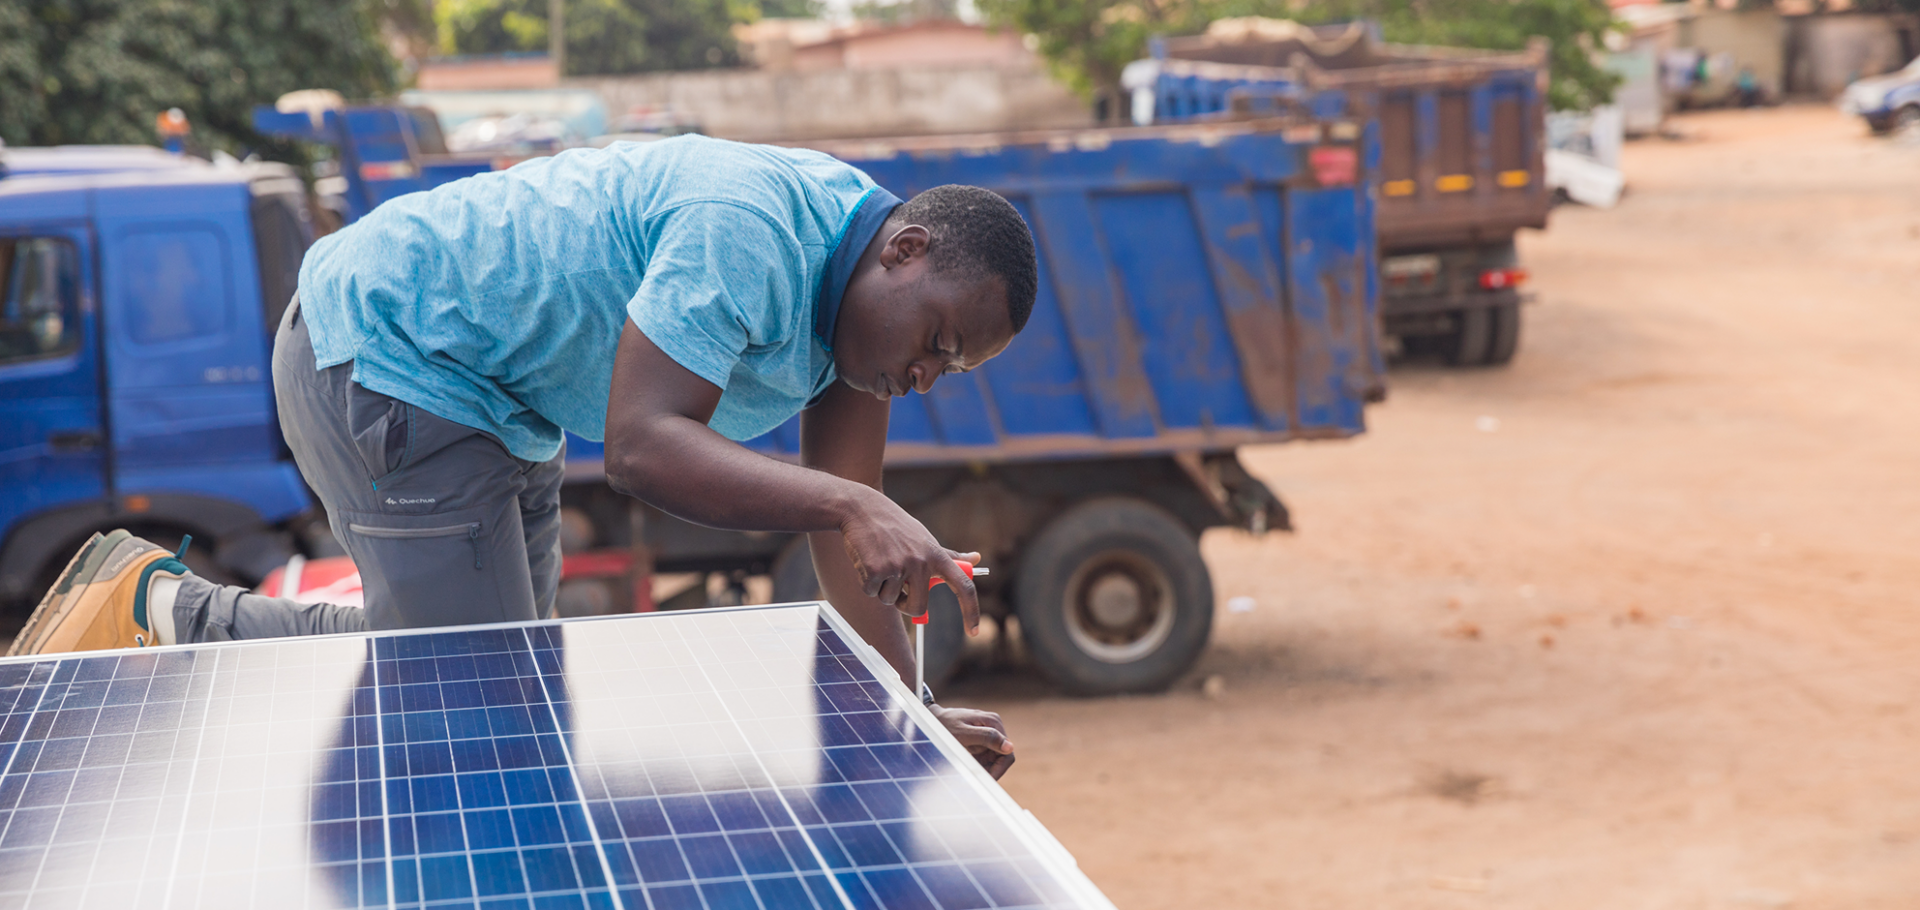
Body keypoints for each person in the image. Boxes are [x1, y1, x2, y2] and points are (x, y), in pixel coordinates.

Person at [13, 135, 1035, 778]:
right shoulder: (752, 232)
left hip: (504, 400)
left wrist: (912, 710)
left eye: (954, 367)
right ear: (903, 252)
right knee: (478, 691)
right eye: (937, 339)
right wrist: (856, 509)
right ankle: (164, 611)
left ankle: (170, 612)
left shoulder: (865, 328)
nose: (928, 372)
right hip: (389, 349)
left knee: (493, 664)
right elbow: (642, 449)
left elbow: (845, 516)